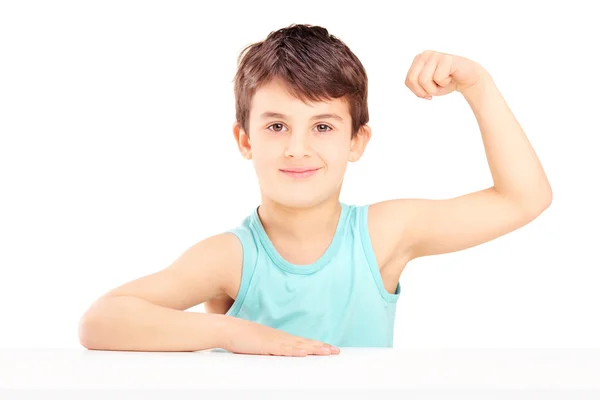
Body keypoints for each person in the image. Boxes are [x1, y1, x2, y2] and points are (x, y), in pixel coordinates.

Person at [78, 24, 552, 357]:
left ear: (356, 141)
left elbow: (524, 198)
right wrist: (230, 333)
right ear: (246, 140)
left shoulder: (383, 234)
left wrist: (479, 85)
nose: (297, 148)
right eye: (277, 125)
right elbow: (100, 321)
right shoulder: (230, 258)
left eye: (322, 126)